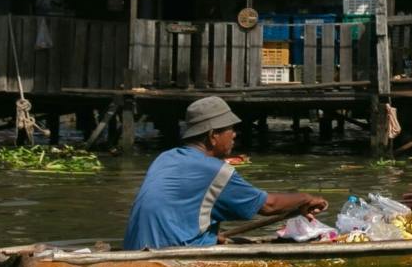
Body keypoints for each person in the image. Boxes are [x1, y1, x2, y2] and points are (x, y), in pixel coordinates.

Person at [122, 95, 328, 250]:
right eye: (230, 130)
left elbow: (177, 210)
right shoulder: (215, 170)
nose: (234, 135)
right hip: (169, 252)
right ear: (213, 136)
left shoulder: (165, 158)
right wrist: (305, 198)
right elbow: (268, 205)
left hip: (136, 248)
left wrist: (209, 237)